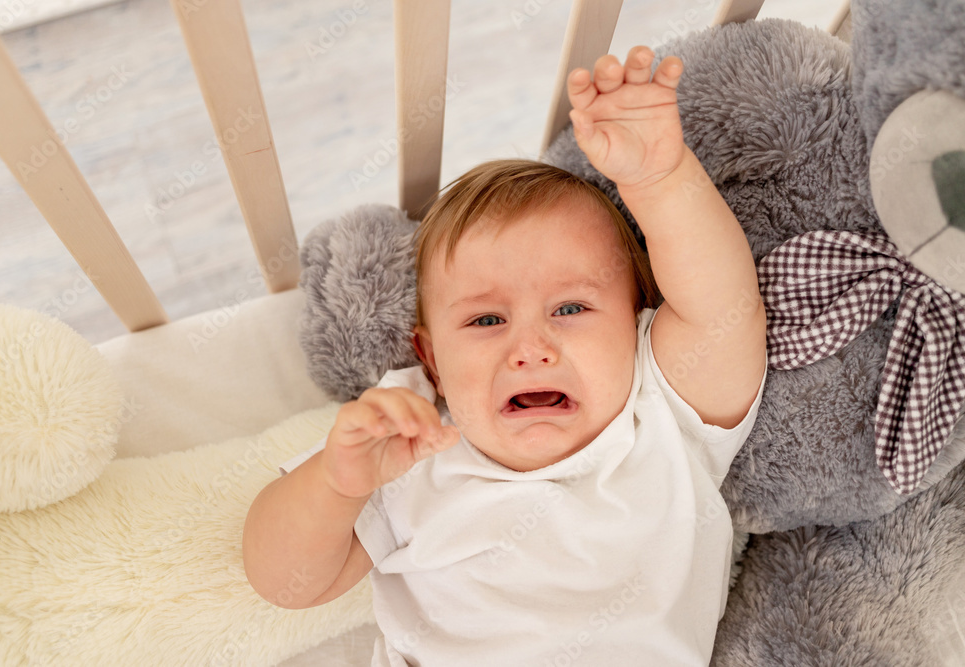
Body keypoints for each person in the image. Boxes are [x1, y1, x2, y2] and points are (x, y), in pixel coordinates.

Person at [243, 45, 767, 666]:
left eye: (571, 309)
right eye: (486, 320)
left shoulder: (662, 411)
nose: (531, 348)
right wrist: (337, 483)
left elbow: (721, 304)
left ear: (638, 321)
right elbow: (284, 583)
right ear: (431, 360)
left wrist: (660, 177)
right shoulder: (409, 444)